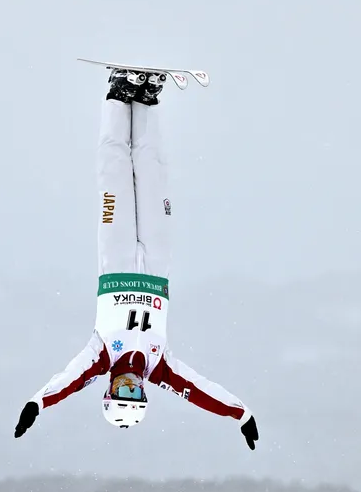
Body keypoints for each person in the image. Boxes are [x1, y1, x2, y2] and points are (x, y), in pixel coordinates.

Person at [14, 69, 259, 449]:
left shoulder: (99, 359)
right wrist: (240, 413)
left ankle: (117, 97)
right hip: (157, 267)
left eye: (122, 394)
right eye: (136, 395)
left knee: (114, 179)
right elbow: (200, 390)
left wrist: (37, 403)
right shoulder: (160, 368)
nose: (130, 386)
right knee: (153, 178)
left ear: (108, 392)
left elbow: (67, 381)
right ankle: (145, 103)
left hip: (116, 262)